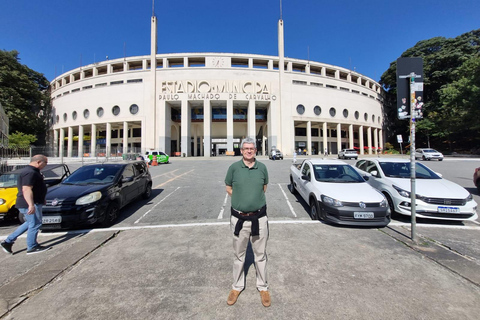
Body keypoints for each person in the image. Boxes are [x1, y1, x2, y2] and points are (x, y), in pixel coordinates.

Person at [225, 137, 271, 307]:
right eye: (246, 148)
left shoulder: (262, 168)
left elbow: (264, 187)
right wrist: (239, 198)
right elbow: (228, 187)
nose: (249, 151)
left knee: (260, 255)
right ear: (242, 150)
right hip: (239, 219)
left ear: (255, 150)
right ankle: (236, 286)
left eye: (252, 148)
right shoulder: (234, 168)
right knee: (239, 255)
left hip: (259, 218)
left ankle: (263, 287)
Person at [1, 155, 52, 255]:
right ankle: (32, 247)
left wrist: (42, 198)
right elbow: (26, 189)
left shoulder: (33, 171)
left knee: (29, 223)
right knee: (35, 224)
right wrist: (31, 204)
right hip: (29, 203)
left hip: (34, 202)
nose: (46, 165)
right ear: (38, 162)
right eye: (45, 162)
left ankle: (8, 241)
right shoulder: (30, 172)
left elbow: (37, 188)